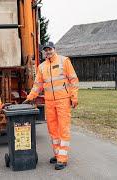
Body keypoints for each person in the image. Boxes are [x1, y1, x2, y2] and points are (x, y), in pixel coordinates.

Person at [23, 42, 79, 170]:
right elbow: (37, 85)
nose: (48, 52)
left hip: (63, 100)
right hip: (49, 102)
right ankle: (57, 154)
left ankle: (62, 159)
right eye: (46, 50)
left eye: (50, 49)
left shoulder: (64, 61)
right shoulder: (41, 66)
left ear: (54, 49)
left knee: (63, 128)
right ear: (43, 52)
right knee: (52, 129)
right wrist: (30, 97)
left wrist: (74, 97)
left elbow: (73, 80)